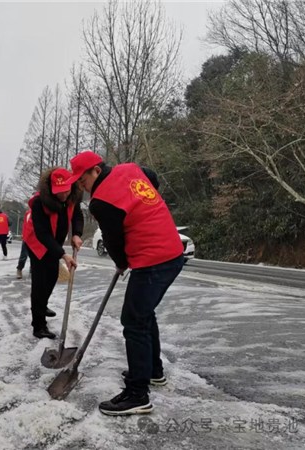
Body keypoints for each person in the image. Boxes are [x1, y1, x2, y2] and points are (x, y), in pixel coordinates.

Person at [68, 150, 184, 416]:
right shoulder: (130, 169)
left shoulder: (101, 201)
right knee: (143, 314)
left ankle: (137, 394)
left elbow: (113, 240)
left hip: (153, 259)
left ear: (96, 170)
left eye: (83, 179)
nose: (82, 186)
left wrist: (121, 262)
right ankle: (153, 371)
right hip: (172, 252)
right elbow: (152, 178)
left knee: (133, 320)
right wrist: (144, 207)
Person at [22, 167, 83, 339]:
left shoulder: (73, 196)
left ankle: (42, 304)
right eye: (59, 191)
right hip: (37, 241)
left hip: (54, 241)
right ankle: (38, 325)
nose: (63, 195)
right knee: (41, 281)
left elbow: (77, 215)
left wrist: (77, 234)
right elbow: (43, 234)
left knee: (52, 275)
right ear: (50, 188)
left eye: (66, 190)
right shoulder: (39, 202)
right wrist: (63, 254)